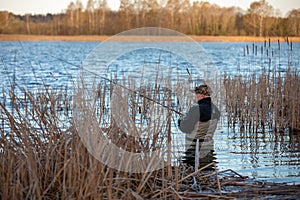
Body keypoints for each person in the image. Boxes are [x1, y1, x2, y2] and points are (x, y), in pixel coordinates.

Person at [178, 84, 220, 169]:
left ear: (201, 95)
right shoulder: (216, 110)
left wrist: (180, 121)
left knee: (191, 171)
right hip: (208, 147)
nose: (196, 97)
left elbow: (185, 128)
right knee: (208, 170)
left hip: (193, 148)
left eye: (196, 95)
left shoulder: (195, 109)